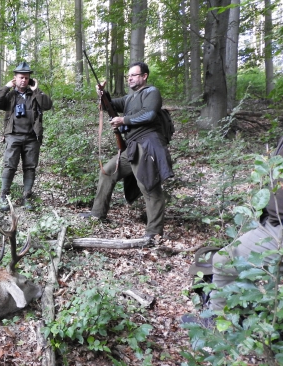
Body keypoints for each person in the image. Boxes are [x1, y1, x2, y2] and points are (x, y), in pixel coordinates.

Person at [183, 137, 283, 328]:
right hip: (271, 223)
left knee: (224, 260)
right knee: (226, 260)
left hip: (278, 229)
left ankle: (220, 326)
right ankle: (239, 316)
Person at [79, 62, 173, 241]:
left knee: (149, 187)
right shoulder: (129, 98)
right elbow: (109, 105)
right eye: (128, 76)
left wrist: (124, 120)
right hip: (131, 147)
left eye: (134, 75)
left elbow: (150, 115)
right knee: (107, 171)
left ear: (144, 76)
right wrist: (102, 94)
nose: (130, 78)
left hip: (146, 145)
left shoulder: (151, 92)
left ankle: (154, 232)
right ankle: (97, 213)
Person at [0, 62, 53, 211]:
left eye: (26, 78)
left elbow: (47, 105)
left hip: (32, 137)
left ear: (29, 79)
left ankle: (26, 197)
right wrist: (6, 86)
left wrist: (36, 90)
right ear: (15, 78)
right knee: (9, 166)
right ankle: (3, 197)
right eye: (20, 77)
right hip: (13, 136)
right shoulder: (10, 95)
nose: (23, 80)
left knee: (30, 167)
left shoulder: (36, 94)